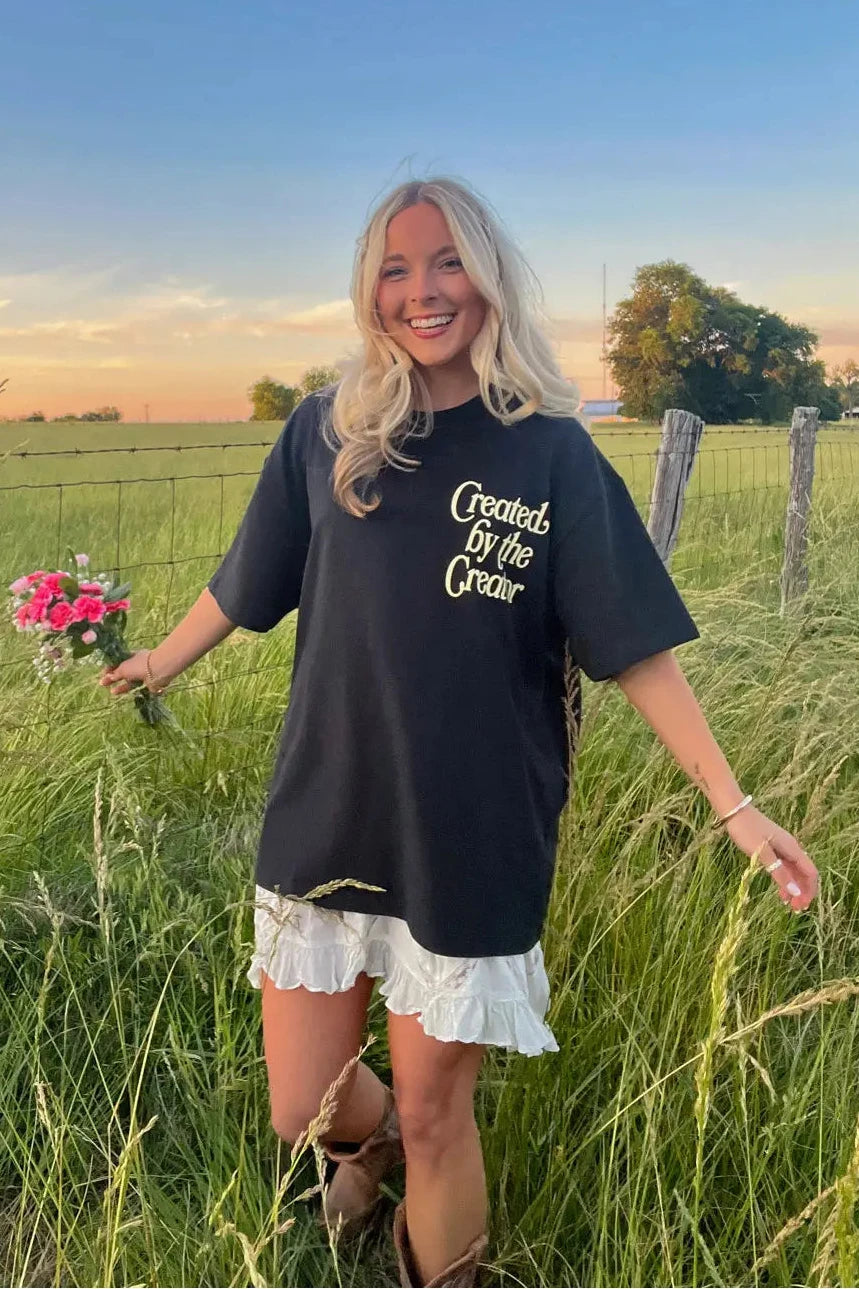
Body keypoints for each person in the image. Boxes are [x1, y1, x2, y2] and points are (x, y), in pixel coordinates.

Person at [99, 175, 819, 1288]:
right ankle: (363, 1143)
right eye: (395, 267)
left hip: (473, 827)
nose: (423, 290)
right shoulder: (324, 434)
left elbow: (631, 646)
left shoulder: (550, 454)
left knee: (442, 1115)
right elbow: (246, 583)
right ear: (368, 290)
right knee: (305, 1104)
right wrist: (155, 659)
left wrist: (734, 804)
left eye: (446, 263)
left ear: (487, 278)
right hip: (329, 801)